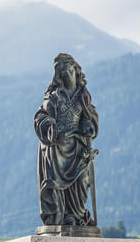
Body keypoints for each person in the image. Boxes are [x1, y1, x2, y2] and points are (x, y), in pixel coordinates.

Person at [34, 53, 99, 229]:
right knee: (56, 187)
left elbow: (91, 118)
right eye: (64, 73)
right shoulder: (54, 97)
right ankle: (61, 218)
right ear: (59, 76)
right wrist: (50, 127)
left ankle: (77, 216)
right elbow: (41, 116)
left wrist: (89, 125)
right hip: (57, 149)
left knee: (80, 183)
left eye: (71, 71)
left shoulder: (83, 96)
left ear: (76, 71)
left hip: (77, 146)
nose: (69, 75)